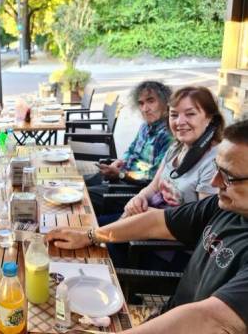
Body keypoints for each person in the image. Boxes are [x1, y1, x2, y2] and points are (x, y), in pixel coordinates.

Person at [46, 119, 248, 333]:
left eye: (229, 177)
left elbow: (210, 319)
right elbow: (157, 222)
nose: (215, 182)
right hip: (166, 316)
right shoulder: (227, 206)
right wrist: (90, 235)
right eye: (217, 169)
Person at [101, 86, 225, 269]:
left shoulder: (214, 162)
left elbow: (203, 225)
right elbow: (153, 186)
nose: (180, 122)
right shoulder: (176, 147)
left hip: (173, 248)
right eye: (174, 115)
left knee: (101, 245)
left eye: (190, 114)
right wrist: (139, 198)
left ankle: (124, 292)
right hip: (148, 225)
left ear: (210, 118)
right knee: (94, 226)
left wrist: (153, 216)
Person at [85, 81, 173, 216]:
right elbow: (131, 150)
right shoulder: (145, 126)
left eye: (151, 101)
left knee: (83, 196)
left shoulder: (168, 135)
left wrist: (121, 174)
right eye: (141, 103)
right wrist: (119, 162)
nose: (145, 108)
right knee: (79, 183)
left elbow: (152, 177)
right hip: (121, 177)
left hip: (132, 192)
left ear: (165, 102)